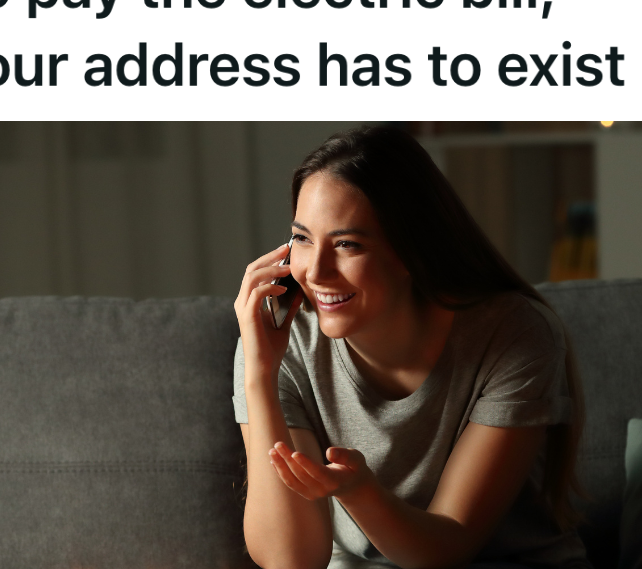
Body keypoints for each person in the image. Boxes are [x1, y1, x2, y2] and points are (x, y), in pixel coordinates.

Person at [231, 126, 592, 569]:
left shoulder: (513, 335)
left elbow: (448, 548)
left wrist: (360, 493)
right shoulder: (278, 341)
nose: (316, 272)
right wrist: (259, 374)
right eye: (303, 238)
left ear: (411, 250)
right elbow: (291, 561)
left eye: (346, 244)